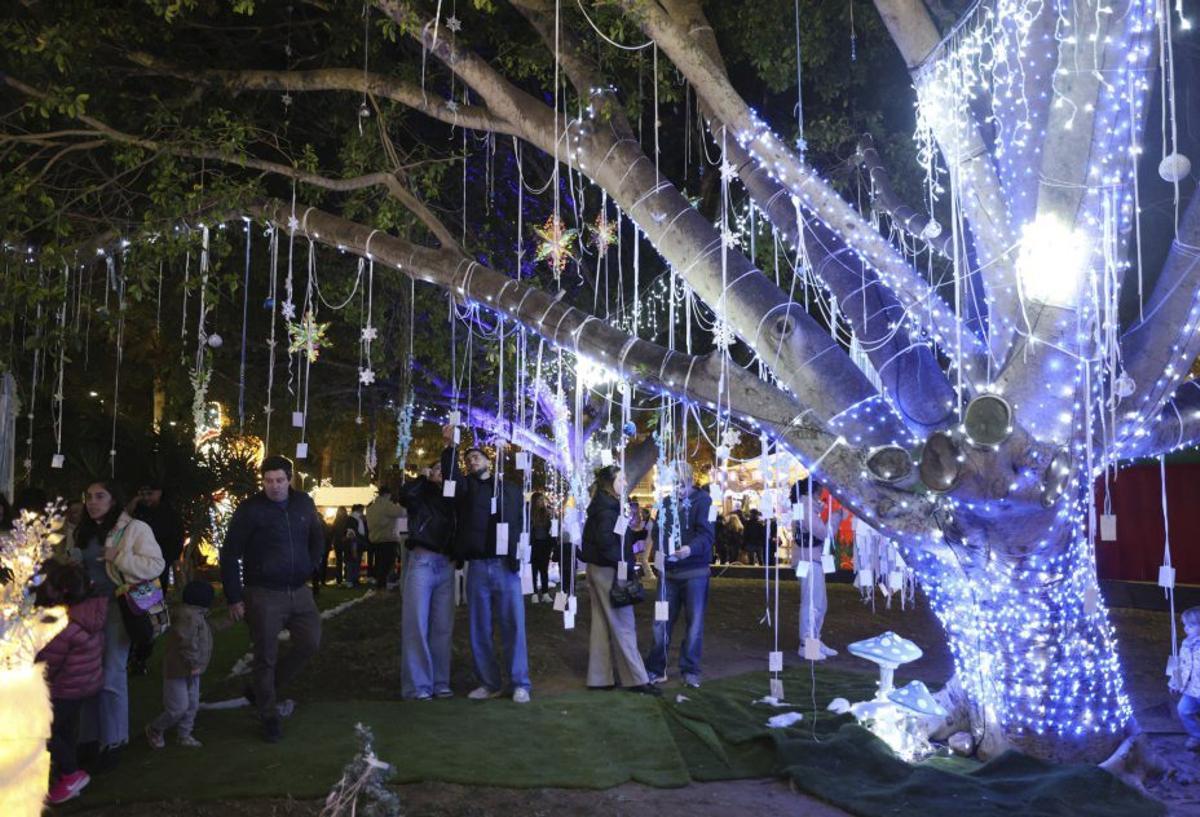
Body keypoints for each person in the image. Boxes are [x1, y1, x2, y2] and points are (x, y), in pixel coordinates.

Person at [220, 454, 324, 743]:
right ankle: (268, 715)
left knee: (310, 642)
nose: (274, 486)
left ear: (290, 479)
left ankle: (262, 691)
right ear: (262, 481)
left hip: (298, 590)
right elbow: (230, 553)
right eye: (268, 481)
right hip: (263, 592)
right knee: (265, 654)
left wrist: (312, 562)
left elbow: (317, 535)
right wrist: (234, 596)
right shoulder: (250, 510)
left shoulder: (303, 503)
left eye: (279, 480)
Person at [76, 479, 165, 769]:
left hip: (119, 607)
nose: (92, 501)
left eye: (100, 496)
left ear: (113, 500)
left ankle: (114, 740)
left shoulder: (134, 529)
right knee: (87, 673)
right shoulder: (83, 530)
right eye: (89, 496)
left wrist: (120, 556)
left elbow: (155, 565)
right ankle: (88, 739)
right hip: (86, 609)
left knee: (112, 671)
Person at [441, 425, 532, 703]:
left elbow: (518, 523)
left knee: (513, 625)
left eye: (477, 457)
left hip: (506, 565)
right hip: (478, 565)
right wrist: (450, 447)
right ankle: (489, 682)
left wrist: (519, 556)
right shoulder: (465, 489)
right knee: (479, 627)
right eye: (468, 459)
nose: (472, 461)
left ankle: (520, 682)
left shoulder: (511, 489)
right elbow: (450, 477)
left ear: (488, 460)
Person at [35, 559, 107, 804]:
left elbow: (49, 664)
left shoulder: (63, 625)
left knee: (45, 729)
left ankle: (70, 774)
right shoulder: (90, 611)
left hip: (66, 687)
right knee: (64, 728)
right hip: (85, 683)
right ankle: (69, 771)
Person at [580, 466, 655, 693]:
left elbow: (609, 540)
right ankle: (637, 678)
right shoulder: (607, 510)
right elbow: (606, 544)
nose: (625, 482)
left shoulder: (602, 506)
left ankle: (600, 677)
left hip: (599, 568)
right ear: (609, 482)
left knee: (602, 623)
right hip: (608, 570)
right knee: (623, 623)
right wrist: (624, 566)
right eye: (621, 478)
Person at [645, 462, 714, 688]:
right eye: (674, 483)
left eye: (681, 483)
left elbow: (706, 535)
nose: (678, 488)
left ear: (690, 480)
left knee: (694, 623)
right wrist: (659, 553)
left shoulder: (703, 501)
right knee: (660, 622)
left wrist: (689, 549)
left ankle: (690, 669)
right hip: (669, 573)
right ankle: (657, 667)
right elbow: (657, 532)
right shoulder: (665, 503)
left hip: (694, 571)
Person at [398, 462, 455, 700]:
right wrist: (422, 478)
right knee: (416, 625)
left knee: (442, 627)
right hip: (422, 561)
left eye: (444, 470)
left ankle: (440, 681)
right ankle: (418, 686)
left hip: (446, 563)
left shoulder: (453, 495)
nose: (439, 474)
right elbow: (405, 495)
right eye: (436, 469)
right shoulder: (420, 493)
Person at [145, 580, 216, 749]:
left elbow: (207, 633)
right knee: (178, 707)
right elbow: (186, 642)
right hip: (179, 669)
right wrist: (194, 663)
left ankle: (184, 735)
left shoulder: (197, 615)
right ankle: (155, 728)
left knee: (192, 704)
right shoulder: (189, 617)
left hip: (192, 669)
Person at [791, 478, 838, 659]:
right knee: (812, 603)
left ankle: (815, 640)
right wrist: (837, 514)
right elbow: (823, 532)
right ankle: (807, 646)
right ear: (817, 489)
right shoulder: (806, 507)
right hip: (808, 560)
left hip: (813, 559)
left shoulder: (809, 507)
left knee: (819, 603)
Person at [1170, 606, 1200, 750]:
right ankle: (1196, 736)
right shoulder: (1185, 644)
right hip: (1191, 690)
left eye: (1191, 625)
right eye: (1185, 625)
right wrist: (1174, 683)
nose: (1186, 629)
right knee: (1183, 710)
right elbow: (1180, 663)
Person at [365, 485, 406, 590]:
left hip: (375, 540)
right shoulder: (387, 505)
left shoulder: (371, 507)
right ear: (388, 495)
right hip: (388, 539)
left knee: (379, 564)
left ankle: (380, 585)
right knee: (387, 564)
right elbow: (403, 512)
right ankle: (382, 586)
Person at [530, 492, 554, 603]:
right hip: (534, 544)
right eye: (538, 500)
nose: (541, 502)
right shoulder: (530, 514)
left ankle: (545, 593)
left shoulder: (547, 513)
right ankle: (534, 592)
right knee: (533, 570)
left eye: (542, 500)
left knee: (544, 569)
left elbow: (551, 528)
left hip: (545, 544)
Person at [343, 503, 369, 587]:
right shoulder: (352, 519)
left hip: (357, 542)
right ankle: (351, 580)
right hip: (354, 542)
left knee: (356, 562)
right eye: (361, 510)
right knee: (352, 562)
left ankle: (354, 580)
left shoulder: (359, 519)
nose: (362, 512)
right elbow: (352, 533)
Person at [328, 507, 350, 585]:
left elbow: (332, 532)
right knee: (347, 560)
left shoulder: (336, 521)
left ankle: (339, 579)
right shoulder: (348, 520)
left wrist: (331, 542)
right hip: (346, 542)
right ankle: (347, 577)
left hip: (338, 542)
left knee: (339, 561)